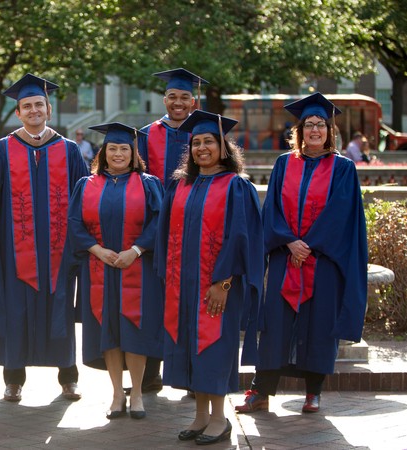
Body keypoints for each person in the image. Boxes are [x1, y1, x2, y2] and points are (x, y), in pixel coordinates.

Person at [236, 93, 368, 416]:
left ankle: (313, 392)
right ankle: (262, 391)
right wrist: (289, 242)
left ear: (329, 131)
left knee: (320, 324)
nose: (314, 130)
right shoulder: (284, 164)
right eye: (308, 125)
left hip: (322, 260)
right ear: (299, 130)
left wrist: (309, 245)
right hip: (285, 257)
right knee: (274, 324)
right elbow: (272, 211)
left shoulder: (343, 169)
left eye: (320, 125)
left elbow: (342, 216)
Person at [155, 110, 264, 445]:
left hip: (217, 286)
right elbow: (164, 235)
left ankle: (220, 419)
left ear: (223, 147)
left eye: (209, 142)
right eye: (196, 142)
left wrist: (224, 283)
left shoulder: (236, 186)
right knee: (191, 347)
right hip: (182, 285)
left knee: (214, 348)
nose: (202, 147)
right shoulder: (181, 185)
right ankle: (201, 416)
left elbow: (241, 238)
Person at [0, 73, 89, 402]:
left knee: (60, 312)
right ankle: (13, 379)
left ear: (49, 110)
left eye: (38, 105)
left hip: (59, 253)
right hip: (14, 254)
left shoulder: (69, 150)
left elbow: (84, 199)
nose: (33, 111)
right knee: (16, 313)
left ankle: (68, 377)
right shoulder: (2, 150)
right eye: (26, 106)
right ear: (18, 113)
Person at [66, 122, 164, 420]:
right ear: (103, 153)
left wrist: (135, 251)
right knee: (108, 330)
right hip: (100, 268)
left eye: (124, 149)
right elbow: (74, 223)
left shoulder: (149, 184)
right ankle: (116, 394)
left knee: (134, 330)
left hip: (138, 268)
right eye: (112, 149)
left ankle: (136, 394)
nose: (118, 153)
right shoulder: (86, 184)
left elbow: (159, 222)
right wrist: (96, 249)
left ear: (134, 153)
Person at [136, 67, 208, 393]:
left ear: (194, 100)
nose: (178, 103)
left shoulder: (205, 134)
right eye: (172, 97)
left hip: (194, 228)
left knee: (192, 301)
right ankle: (151, 373)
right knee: (153, 301)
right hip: (155, 229)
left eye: (184, 97)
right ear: (164, 99)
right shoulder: (146, 134)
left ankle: (193, 374)